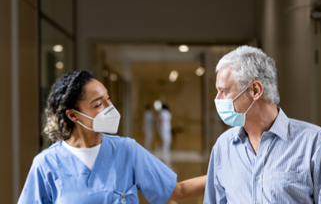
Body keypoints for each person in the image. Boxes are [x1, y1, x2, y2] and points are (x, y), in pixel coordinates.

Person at [18, 70, 206, 204]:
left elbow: (179, 191)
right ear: (73, 115)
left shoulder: (127, 151)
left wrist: (224, 171)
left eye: (108, 99)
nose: (109, 108)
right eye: (98, 104)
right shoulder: (46, 164)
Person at [204, 46, 321, 203]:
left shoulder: (313, 142)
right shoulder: (223, 147)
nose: (217, 99)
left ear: (255, 90)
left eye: (224, 91)